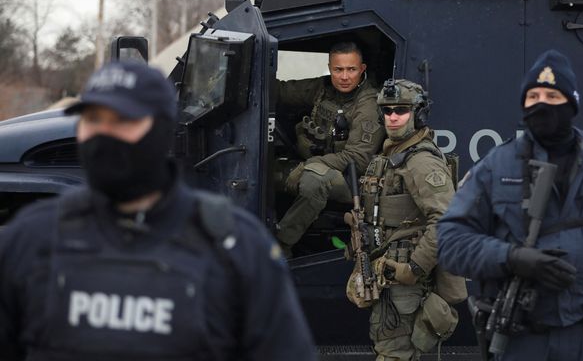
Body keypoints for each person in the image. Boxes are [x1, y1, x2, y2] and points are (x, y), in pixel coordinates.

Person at [0, 61, 316, 360]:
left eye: (123, 121)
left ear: (162, 131)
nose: (103, 135)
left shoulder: (237, 248)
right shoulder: (30, 240)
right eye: (92, 119)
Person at [437, 50, 583, 361]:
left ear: (571, 103)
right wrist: (512, 258)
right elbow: (449, 244)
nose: (542, 103)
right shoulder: (496, 167)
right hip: (522, 343)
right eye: (534, 95)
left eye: (553, 95)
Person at [350, 79, 465, 360]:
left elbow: (447, 220)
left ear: (418, 114)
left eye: (401, 110)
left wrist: (414, 267)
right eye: (387, 111)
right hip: (388, 275)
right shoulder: (390, 157)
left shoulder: (420, 162)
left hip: (407, 284)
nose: (392, 117)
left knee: (394, 354)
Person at [275, 41, 385, 257]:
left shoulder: (368, 104)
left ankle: (280, 246)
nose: (344, 77)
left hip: (354, 181)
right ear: (330, 67)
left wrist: (310, 165)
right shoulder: (323, 90)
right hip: (322, 165)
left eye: (351, 69)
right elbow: (281, 91)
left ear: (362, 69)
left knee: (315, 181)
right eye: (338, 69)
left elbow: (358, 160)